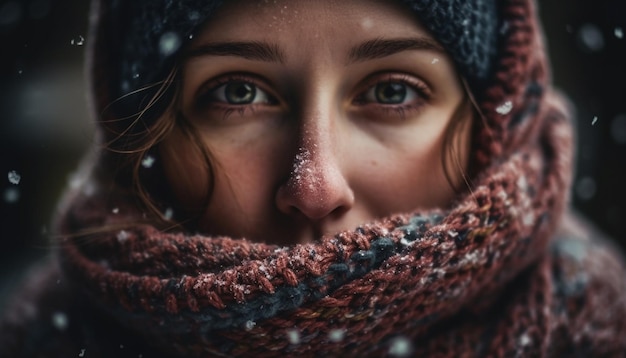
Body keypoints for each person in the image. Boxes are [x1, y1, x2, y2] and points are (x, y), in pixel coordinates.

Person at [1, 0, 625, 356]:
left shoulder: (595, 333)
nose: (315, 184)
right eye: (238, 92)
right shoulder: (40, 340)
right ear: (148, 139)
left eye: (393, 90)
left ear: (493, 123)